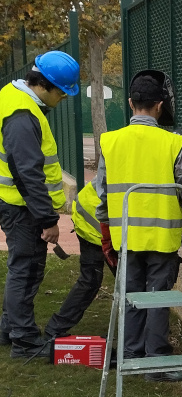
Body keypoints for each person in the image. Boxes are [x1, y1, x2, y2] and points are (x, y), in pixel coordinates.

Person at [93, 69, 182, 381]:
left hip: (125, 236)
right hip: (161, 236)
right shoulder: (173, 143)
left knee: (130, 295)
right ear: (159, 105)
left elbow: (102, 191)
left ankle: (130, 356)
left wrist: (106, 225)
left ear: (130, 103)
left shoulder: (110, 142)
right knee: (158, 297)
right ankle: (157, 364)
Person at [0, 50, 80, 358]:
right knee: (27, 270)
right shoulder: (23, 116)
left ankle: (10, 329)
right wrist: (48, 220)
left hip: (17, 204)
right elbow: (28, 174)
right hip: (23, 209)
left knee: (23, 268)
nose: (64, 98)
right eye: (63, 91)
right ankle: (24, 340)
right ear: (45, 85)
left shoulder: (14, 97)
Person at [43, 181, 114, 339]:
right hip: (96, 218)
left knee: (93, 280)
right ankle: (140, 335)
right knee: (94, 280)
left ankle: (55, 328)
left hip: (91, 210)